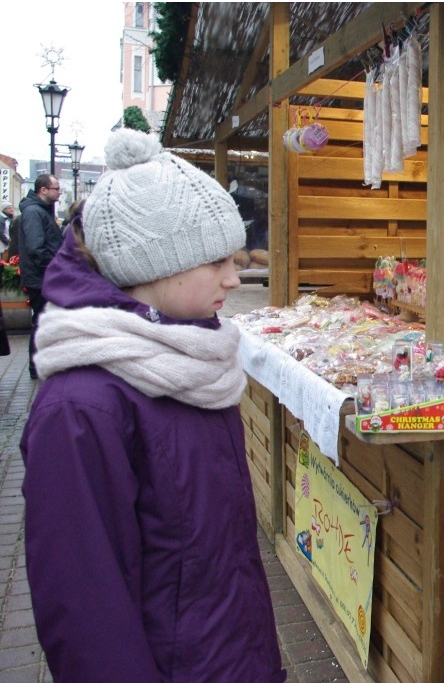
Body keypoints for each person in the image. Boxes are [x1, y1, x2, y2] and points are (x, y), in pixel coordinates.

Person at [20, 129, 285, 682]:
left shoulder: (194, 360)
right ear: (155, 265)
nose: (235, 278)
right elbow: (86, 611)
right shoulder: (82, 408)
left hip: (230, 653)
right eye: (216, 261)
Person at [18, 175, 62, 379]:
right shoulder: (34, 212)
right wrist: (53, 270)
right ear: (43, 190)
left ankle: (40, 364)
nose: (59, 192)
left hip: (42, 275)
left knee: (44, 320)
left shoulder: (39, 210)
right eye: (56, 188)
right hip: (41, 277)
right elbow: (36, 248)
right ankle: (37, 365)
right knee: (42, 321)